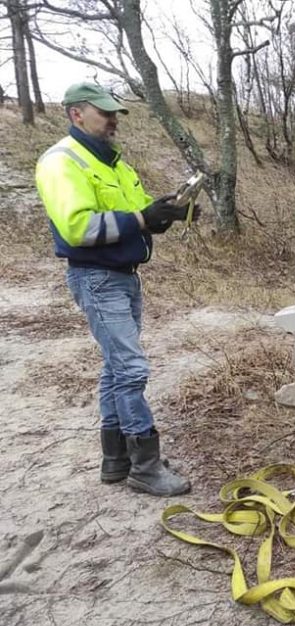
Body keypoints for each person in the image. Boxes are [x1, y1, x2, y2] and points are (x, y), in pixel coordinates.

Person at [35, 82, 198, 497]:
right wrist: (142, 220)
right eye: (105, 113)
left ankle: (116, 460)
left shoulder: (113, 164)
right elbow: (79, 227)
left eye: (115, 114)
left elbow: (139, 207)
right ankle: (145, 466)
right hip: (95, 276)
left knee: (115, 368)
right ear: (76, 114)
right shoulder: (61, 162)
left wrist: (172, 211)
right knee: (130, 369)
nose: (113, 121)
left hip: (123, 276)